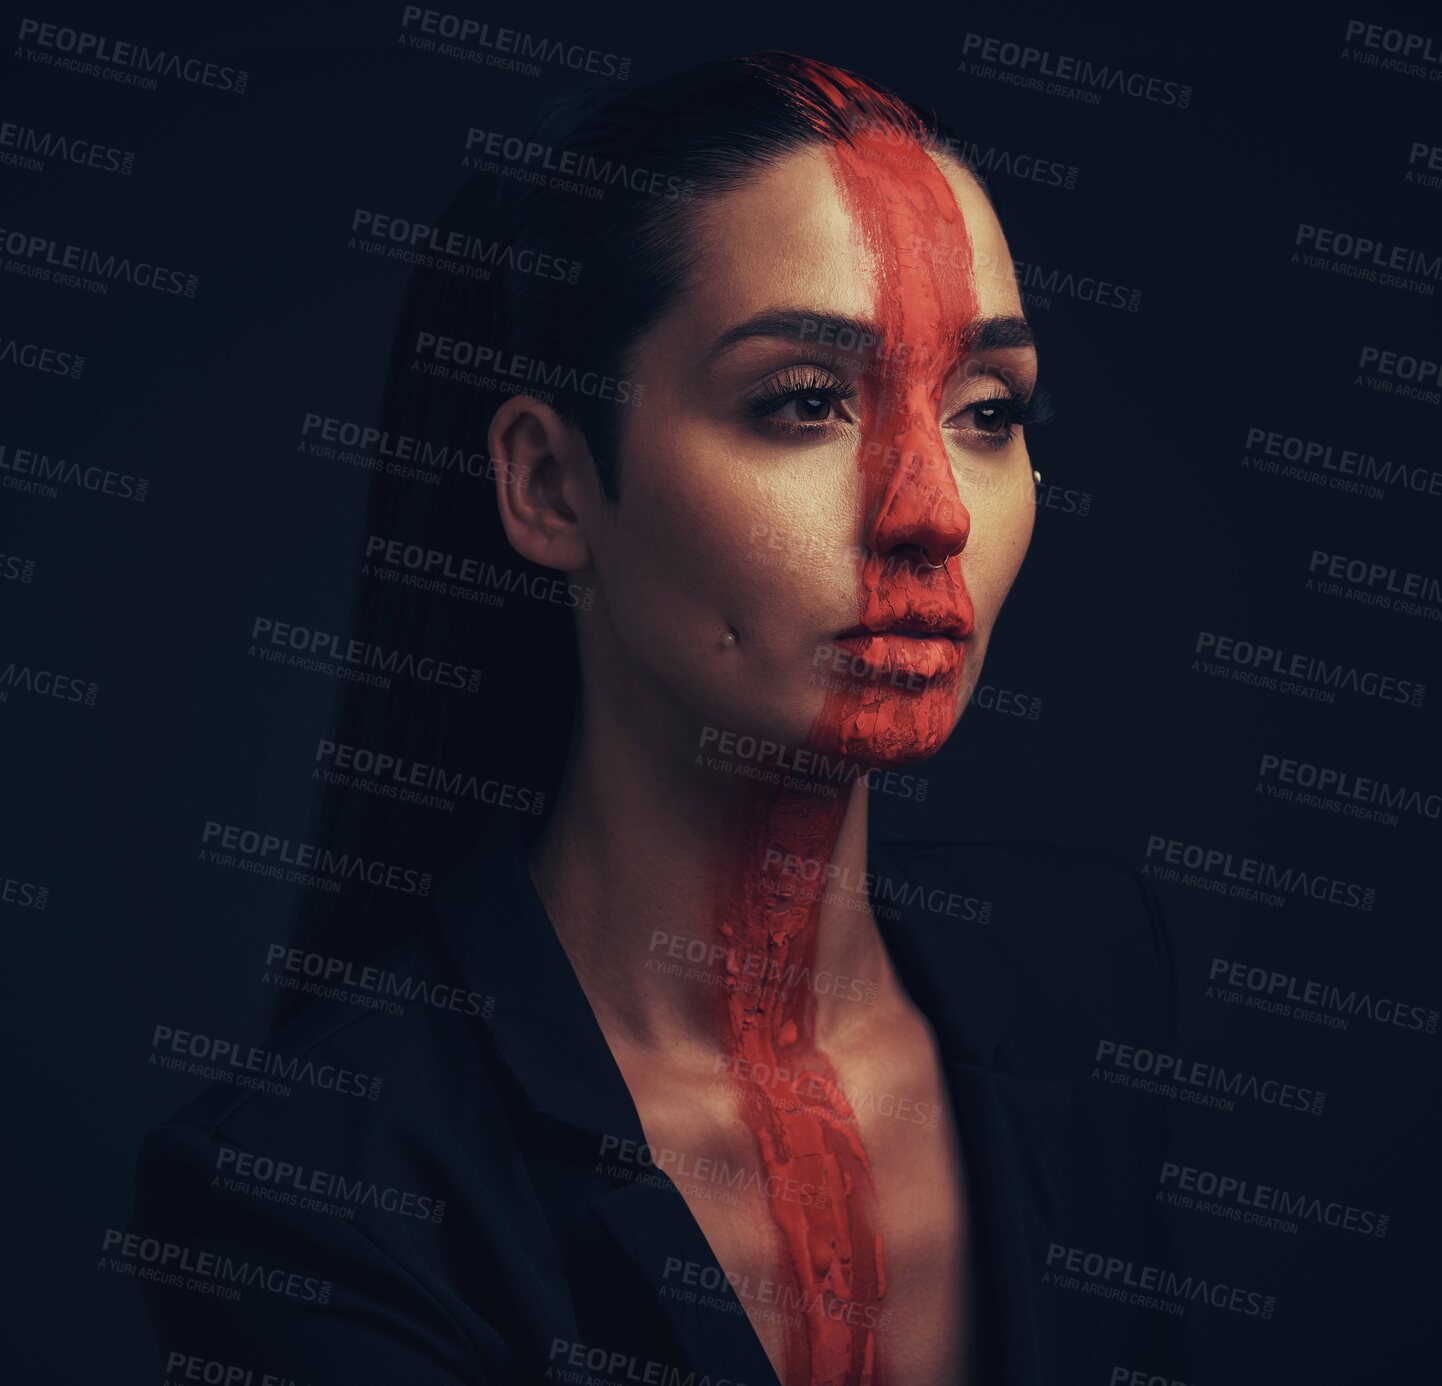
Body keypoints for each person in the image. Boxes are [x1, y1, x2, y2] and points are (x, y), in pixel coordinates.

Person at [131, 52, 1178, 1386]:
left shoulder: (1084, 976)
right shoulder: (301, 1199)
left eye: (986, 410)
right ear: (550, 485)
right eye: (803, 400)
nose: (934, 510)